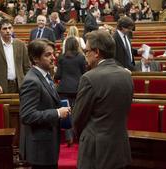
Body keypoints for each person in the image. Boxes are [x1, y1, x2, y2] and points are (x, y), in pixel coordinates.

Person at [73, 30, 133, 169]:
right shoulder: (126, 75)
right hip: (120, 148)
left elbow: (77, 118)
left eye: (86, 51)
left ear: (97, 52)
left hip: (96, 152)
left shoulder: (89, 78)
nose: (85, 54)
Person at [19, 38, 71, 169]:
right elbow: (27, 115)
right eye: (48, 55)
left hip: (48, 144)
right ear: (35, 59)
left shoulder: (45, 75)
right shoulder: (32, 81)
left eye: (53, 54)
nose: (53, 58)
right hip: (40, 147)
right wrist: (57, 113)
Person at [54, 37, 87, 146]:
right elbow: (84, 73)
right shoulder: (81, 57)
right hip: (78, 88)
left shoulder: (62, 58)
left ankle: (69, 137)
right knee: (77, 111)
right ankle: (78, 136)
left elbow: (58, 75)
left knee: (66, 112)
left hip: (64, 88)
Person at [0, 19, 30, 94]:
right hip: (1, 86)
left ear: (13, 29)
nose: (8, 31)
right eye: (4, 29)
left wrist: (27, 82)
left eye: (10, 28)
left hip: (20, 85)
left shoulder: (21, 44)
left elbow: (27, 67)